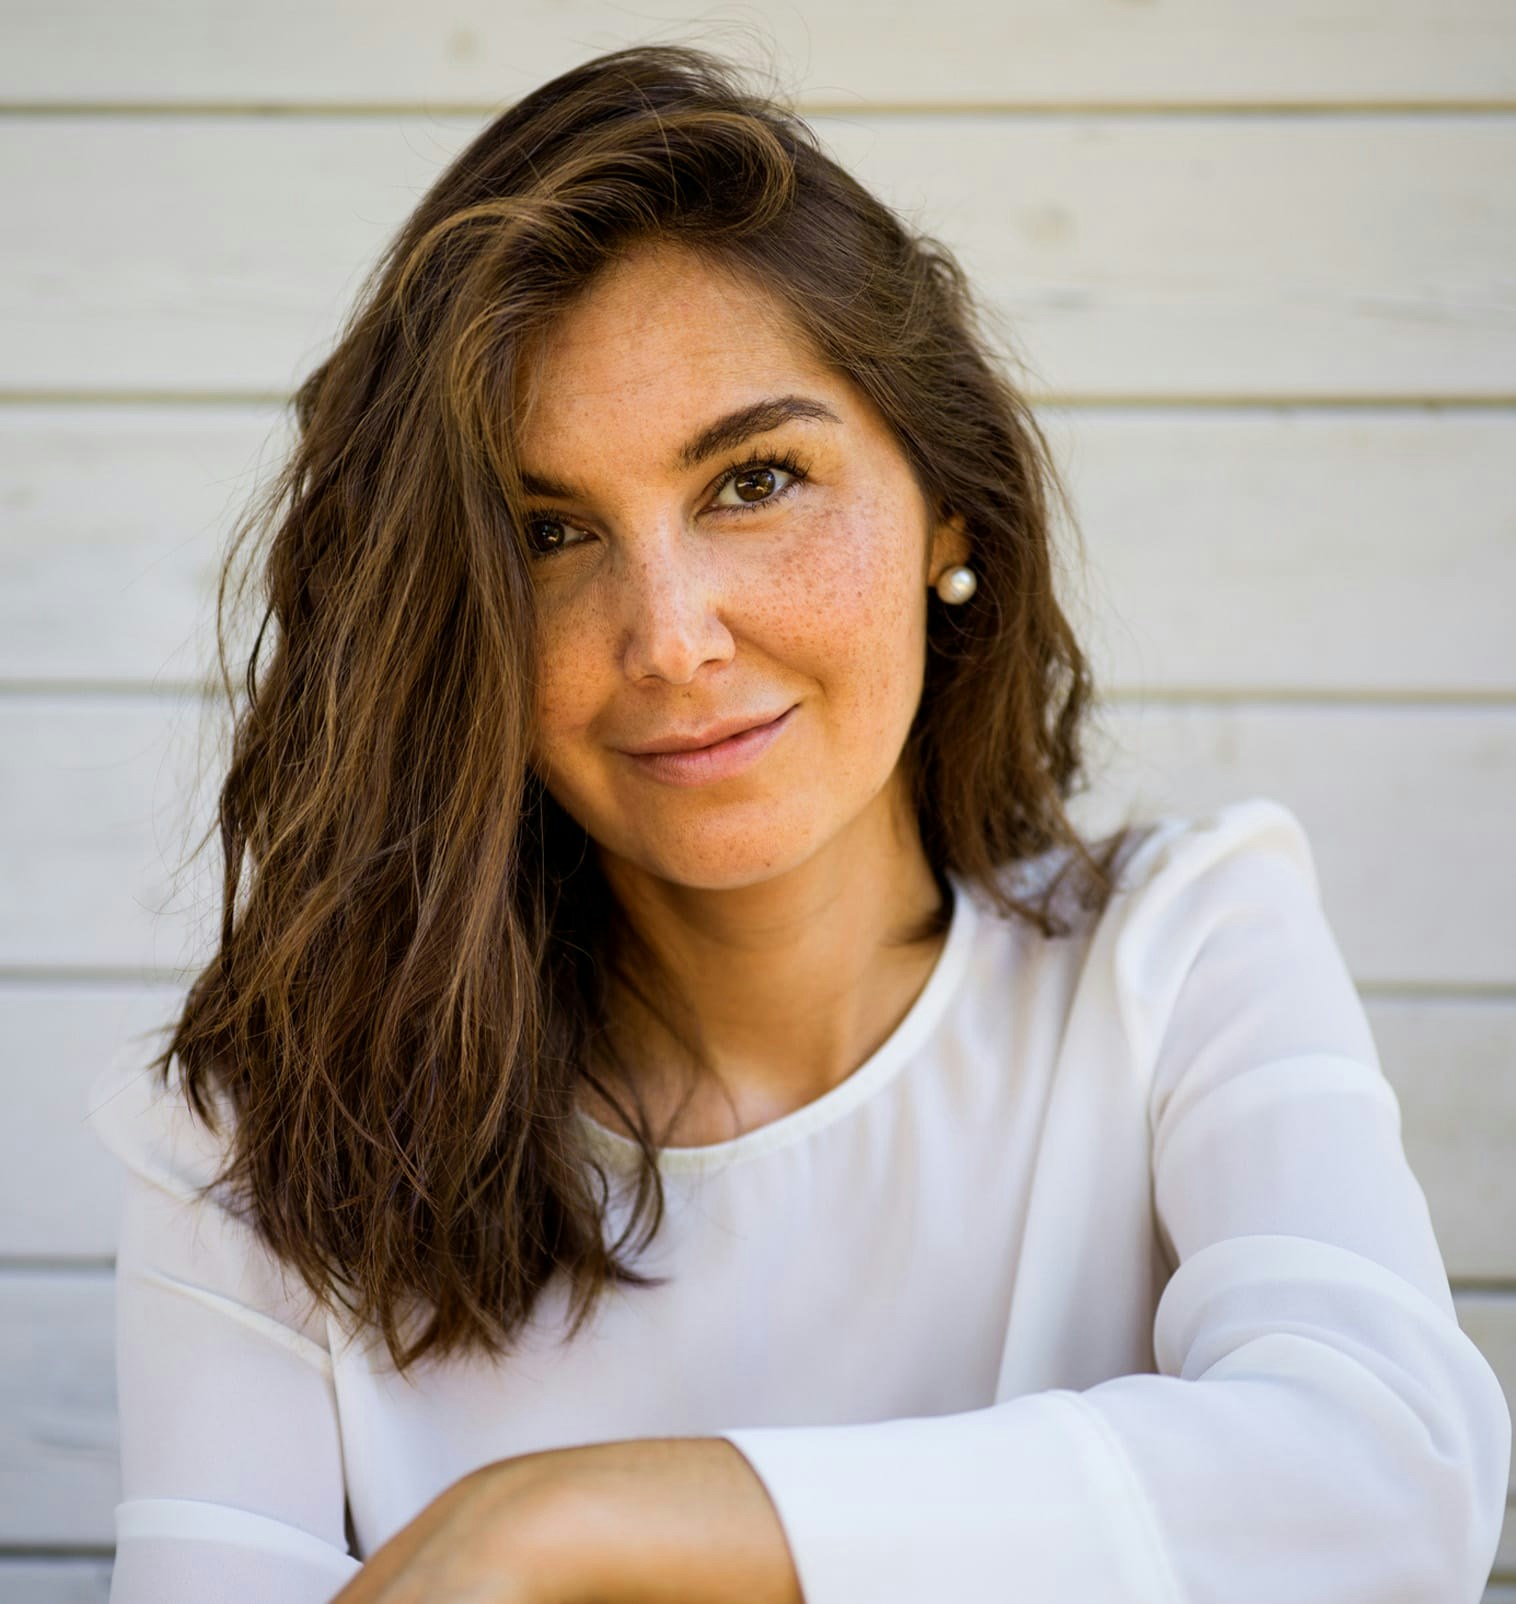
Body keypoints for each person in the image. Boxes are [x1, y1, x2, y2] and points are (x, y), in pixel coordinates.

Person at [84, 41, 1510, 1604]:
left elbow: (1392, 1480)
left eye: (754, 481)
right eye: (550, 533)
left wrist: (571, 1524)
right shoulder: (263, 1148)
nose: (672, 637)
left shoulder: (1181, 955)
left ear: (948, 509)